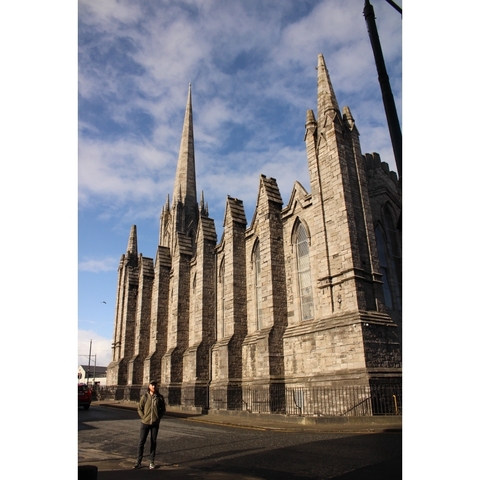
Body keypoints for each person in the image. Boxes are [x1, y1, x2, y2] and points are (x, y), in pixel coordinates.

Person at [133, 381, 166, 469]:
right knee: (141, 442)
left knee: (153, 442)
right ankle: (138, 462)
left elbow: (163, 409)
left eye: (155, 385)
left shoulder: (160, 397)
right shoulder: (145, 397)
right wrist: (143, 417)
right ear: (149, 386)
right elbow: (139, 408)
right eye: (152, 385)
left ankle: (151, 461)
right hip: (145, 423)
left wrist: (158, 417)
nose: (154, 386)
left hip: (155, 423)